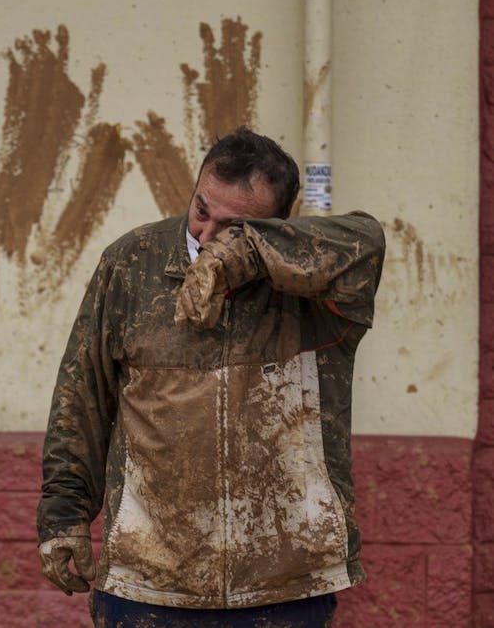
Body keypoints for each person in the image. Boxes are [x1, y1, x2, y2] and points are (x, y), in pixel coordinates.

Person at [37, 127, 385, 627]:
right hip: (148, 581)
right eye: (202, 209)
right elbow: (81, 398)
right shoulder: (132, 263)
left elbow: (366, 239)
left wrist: (248, 254)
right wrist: (63, 517)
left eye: (233, 226)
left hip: (285, 583)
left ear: (272, 226)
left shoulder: (313, 294)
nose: (204, 235)